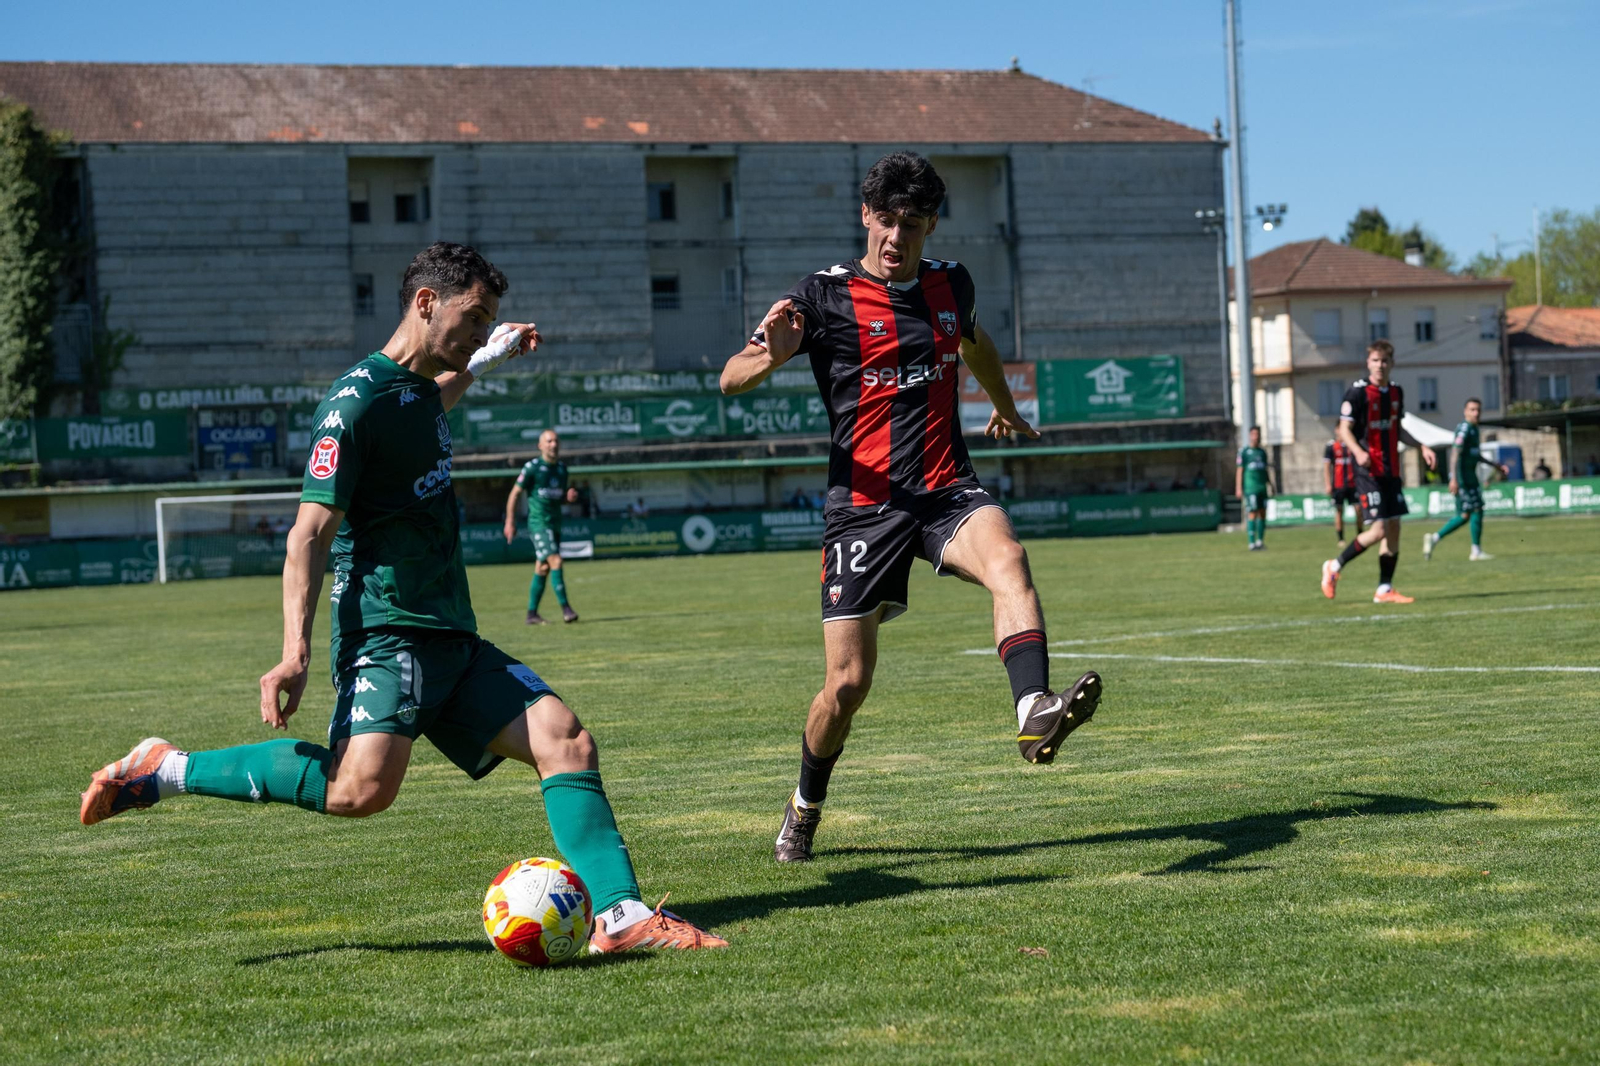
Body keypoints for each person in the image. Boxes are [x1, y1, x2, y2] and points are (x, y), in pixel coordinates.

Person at [79, 242, 725, 953]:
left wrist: (488, 357)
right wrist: (292, 651)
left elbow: (431, 399)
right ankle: (165, 769)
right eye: (474, 318)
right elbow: (308, 535)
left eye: (488, 321)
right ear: (425, 304)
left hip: (450, 633)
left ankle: (621, 917)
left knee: (565, 739)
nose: (479, 331)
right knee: (359, 791)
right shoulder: (352, 405)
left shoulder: (420, 389)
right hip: (387, 634)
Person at [719, 151, 1102, 864]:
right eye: (887, 220)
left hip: (944, 485)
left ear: (931, 226)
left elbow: (974, 342)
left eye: (914, 224)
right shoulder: (820, 297)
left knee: (1009, 559)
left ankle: (1033, 711)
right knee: (848, 684)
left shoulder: (950, 283)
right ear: (867, 216)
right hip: (863, 510)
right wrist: (766, 357)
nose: (897, 237)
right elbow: (730, 377)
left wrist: (1005, 405)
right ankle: (804, 808)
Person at [1320, 340, 1437, 604]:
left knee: (1394, 528)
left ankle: (1385, 589)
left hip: (1391, 470)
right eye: (1375, 360)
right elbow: (1345, 429)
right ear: (1368, 363)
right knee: (1378, 531)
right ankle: (1334, 566)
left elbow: (1398, 429)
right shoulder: (1357, 393)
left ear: (1391, 364)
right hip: (1367, 470)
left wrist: (1421, 446)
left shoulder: (1396, 392)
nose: (1380, 366)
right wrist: (1358, 453)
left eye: (1384, 361)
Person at [504, 429, 578, 625]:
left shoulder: (562, 469)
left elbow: (557, 497)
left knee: (543, 567)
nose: (553, 444)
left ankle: (531, 614)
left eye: (556, 441)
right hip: (538, 523)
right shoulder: (532, 468)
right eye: (549, 441)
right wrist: (510, 521)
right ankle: (567, 610)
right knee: (556, 561)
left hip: (555, 523)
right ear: (540, 446)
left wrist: (567, 498)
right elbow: (514, 494)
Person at [1424, 398, 1509, 563]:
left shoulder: (1474, 429)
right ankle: (1475, 551)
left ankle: (1435, 538)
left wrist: (1495, 465)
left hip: (1471, 478)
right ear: (1465, 411)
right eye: (1472, 410)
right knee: (1475, 509)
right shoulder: (1464, 428)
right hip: (1462, 479)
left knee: (1465, 515)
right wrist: (1453, 478)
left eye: (1478, 410)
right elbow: (1455, 452)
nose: (1476, 413)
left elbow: (1475, 455)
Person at [1323, 436, 1364, 547]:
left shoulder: (1353, 445)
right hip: (1338, 485)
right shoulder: (1331, 446)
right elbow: (1327, 466)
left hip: (1353, 484)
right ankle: (1341, 539)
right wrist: (1327, 484)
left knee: (1359, 510)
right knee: (1339, 511)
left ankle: (1361, 536)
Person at [1236, 426, 1271, 551]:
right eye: (1254, 434)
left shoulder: (1262, 453)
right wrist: (1238, 488)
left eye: (1258, 434)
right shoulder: (1244, 452)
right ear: (1250, 435)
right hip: (1251, 488)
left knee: (1262, 513)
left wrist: (1270, 485)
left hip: (1262, 487)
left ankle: (1260, 541)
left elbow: (1265, 470)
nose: (1256, 436)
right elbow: (1240, 470)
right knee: (1252, 513)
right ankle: (1251, 543)